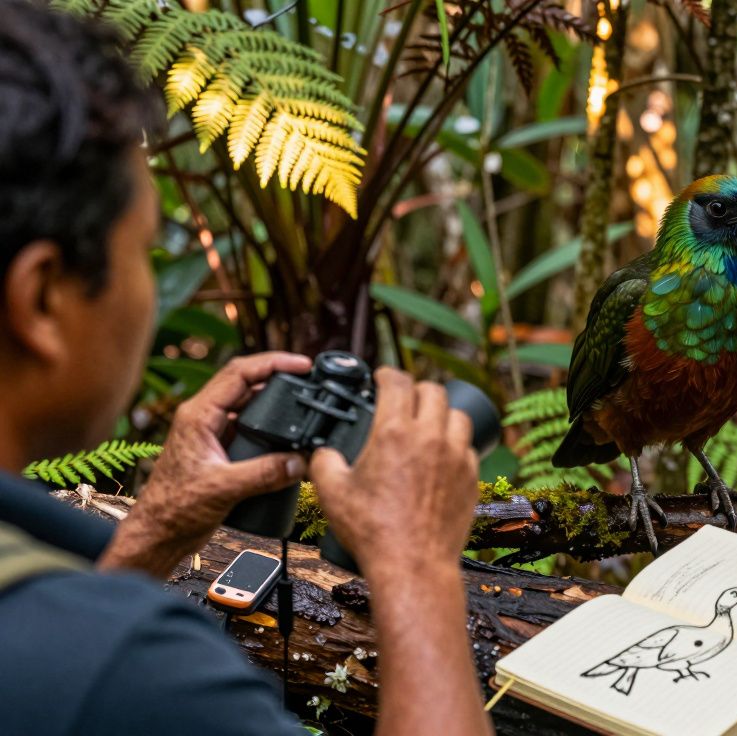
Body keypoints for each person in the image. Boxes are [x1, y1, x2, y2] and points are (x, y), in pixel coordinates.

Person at [0, 3, 491, 734]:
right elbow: (87, 671)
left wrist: (155, 530)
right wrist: (417, 569)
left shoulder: (71, 647)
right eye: (145, 249)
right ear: (43, 300)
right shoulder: (143, 672)